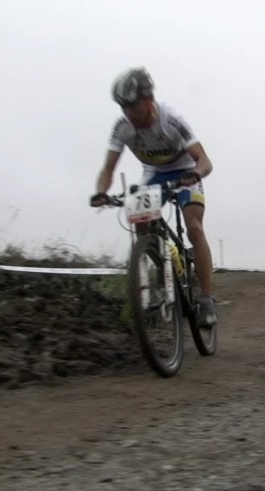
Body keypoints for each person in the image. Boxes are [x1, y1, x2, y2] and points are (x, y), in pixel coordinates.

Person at [90, 67, 217, 327]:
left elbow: (204, 160)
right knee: (141, 226)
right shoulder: (122, 127)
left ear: (148, 100)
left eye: (132, 106)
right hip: (155, 174)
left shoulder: (171, 119)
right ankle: (166, 267)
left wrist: (195, 174)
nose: (127, 113)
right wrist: (102, 192)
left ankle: (206, 299)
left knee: (194, 227)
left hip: (184, 172)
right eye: (123, 107)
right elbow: (108, 169)